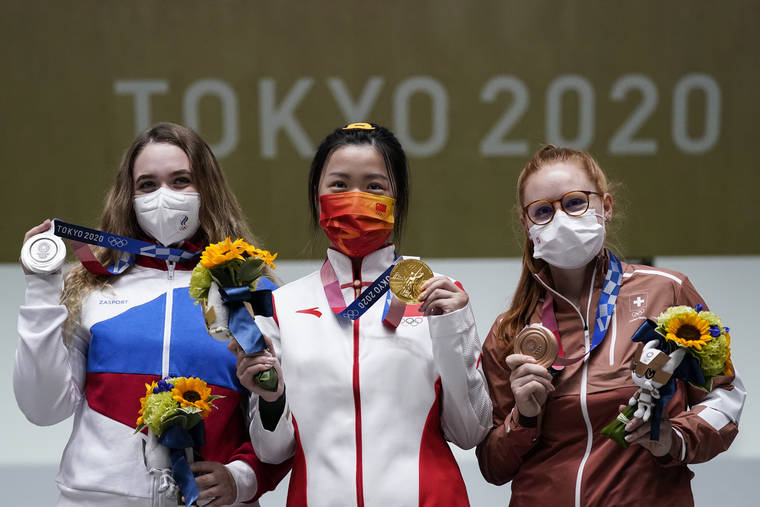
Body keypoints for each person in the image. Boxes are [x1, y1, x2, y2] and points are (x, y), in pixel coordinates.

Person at [14, 122, 288, 506]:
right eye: (147, 184)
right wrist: (42, 289)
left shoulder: (250, 291)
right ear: (128, 195)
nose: (164, 196)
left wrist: (241, 479)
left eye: (181, 181)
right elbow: (42, 408)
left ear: (207, 189)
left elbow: (281, 427)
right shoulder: (92, 286)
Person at [228, 122, 493, 506]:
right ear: (316, 196)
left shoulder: (440, 294)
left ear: (396, 198)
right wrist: (271, 399)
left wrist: (454, 327)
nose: (355, 199)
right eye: (339, 185)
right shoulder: (281, 307)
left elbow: (470, 431)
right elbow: (273, 451)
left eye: (374, 186)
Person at [475, 145, 747, 506]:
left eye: (574, 202)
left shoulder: (667, 291)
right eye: (543, 211)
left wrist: (674, 439)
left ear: (605, 206)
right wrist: (523, 418)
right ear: (527, 224)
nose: (560, 218)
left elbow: (725, 395)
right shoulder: (512, 332)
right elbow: (492, 466)